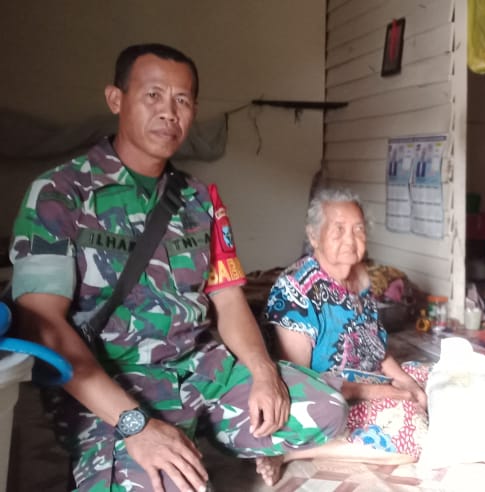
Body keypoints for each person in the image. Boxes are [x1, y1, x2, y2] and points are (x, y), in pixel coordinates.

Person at [8, 43, 346, 491]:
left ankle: (211, 436)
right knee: (165, 483)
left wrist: (264, 372)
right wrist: (136, 426)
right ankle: (157, 448)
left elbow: (229, 300)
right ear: (116, 99)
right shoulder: (59, 193)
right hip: (113, 387)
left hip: (202, 372)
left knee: (325, 408)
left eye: (182, 100)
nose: (169, 112)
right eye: (153, 95)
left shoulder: (200, 200)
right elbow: (42, 324)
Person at [261, 188, 428, 480]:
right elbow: (300, 382)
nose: (350, 240)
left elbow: (373, 345)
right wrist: (389, 393)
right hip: (329, 396)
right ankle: (290, 452)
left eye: (358, 229)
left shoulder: (360, 275)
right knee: (414, 438)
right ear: (314, 236)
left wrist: (406, 382)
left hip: (367, 377)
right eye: (338, 230)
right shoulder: (295, 290)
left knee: (434, 376)